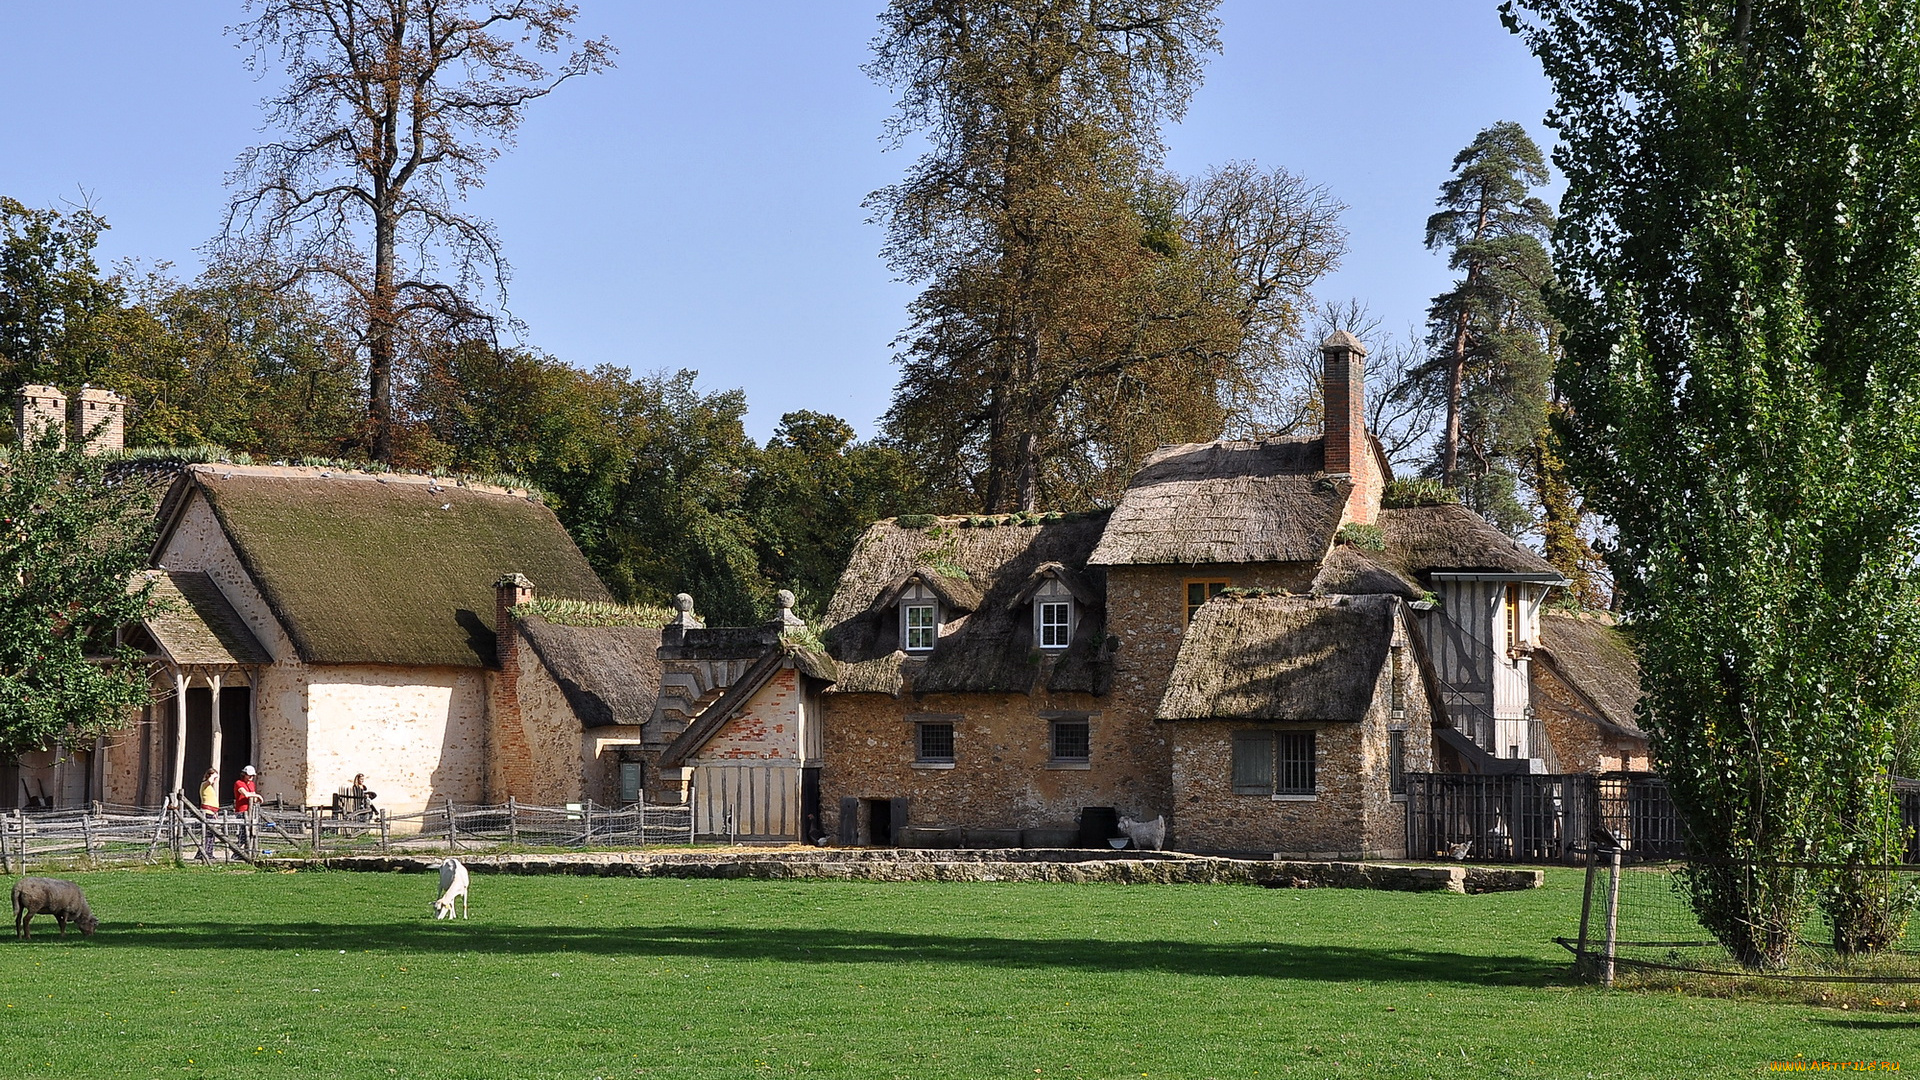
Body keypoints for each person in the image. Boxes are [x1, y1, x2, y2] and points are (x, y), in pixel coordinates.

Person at [233, 765, 262, 850]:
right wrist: (257, 795)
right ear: (244, 774)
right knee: (243, 833)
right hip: (242, 811)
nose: (251, 777)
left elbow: (253, 797)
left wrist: (256, 798)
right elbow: (246, 794)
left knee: (250, 832)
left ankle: (247, 850)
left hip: (251, 811)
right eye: (249, 775)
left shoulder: (252, 784)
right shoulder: (239, 783)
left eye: (252, 776)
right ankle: (237, 851)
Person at [196, 768, 219, 861]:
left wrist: (215, 812)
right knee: (208, 835)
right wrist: (213, 775)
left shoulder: (210, 788)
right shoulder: (205, 784)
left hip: (211, 812)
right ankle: (205, 853)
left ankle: (206, 852)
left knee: (211, 835)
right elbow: (209, 781)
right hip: (207, 813)